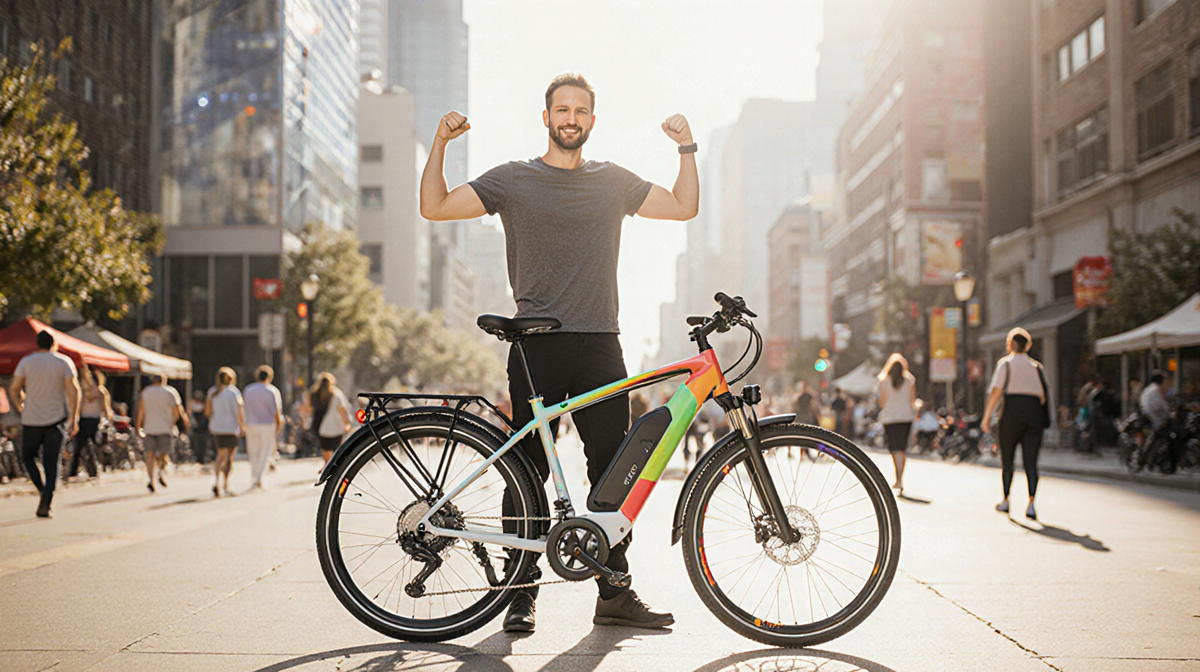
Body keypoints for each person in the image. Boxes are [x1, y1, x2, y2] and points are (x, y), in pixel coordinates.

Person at [420, 73, 697, 632]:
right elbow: (435, 207)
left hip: (600, 340)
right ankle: (519, 593)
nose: (570, 118)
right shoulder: (512, 179)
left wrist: (686, 148)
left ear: (592, 121)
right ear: (546, 117)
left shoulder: (613, 181)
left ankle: (614, 594)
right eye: (561, 109)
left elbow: (683, 207)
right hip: (535, 344)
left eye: (580, 111)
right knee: (527, 473)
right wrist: (440, 144)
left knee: (614, 471)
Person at [8, 331, 80, 518]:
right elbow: (73, 391)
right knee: (51, 462)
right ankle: (46, 502)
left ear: (37, 343)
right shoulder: (63, 362)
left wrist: (20, 407)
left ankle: (41, 490)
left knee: (28, 457)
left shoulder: (26, 362)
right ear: (54, 343)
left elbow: (14, 389)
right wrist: (74, 417)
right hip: (56, 419)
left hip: (31, 419)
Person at [981, 327, 1050, 521]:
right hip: (1033, 415)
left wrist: (987, 417)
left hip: (1011, 414)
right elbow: (1043, 397)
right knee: (1031, 462)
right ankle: (1031, 503)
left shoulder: (1006, 364)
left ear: (1010, 345)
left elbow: (996, 391)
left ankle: (1005, 499)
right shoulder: (1037, 367)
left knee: (1008, 460)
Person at [136, 375, 188, 492]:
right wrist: (173, 423)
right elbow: (177, 411)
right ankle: (160, 472)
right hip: (165, 428)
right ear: (164, 380)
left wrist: (138, 426)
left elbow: (141, 410)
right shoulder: (171, 392)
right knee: (163, 455)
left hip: (149, 427)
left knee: (149, 454)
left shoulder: (146, 392)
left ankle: (151, 479)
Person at [876, 354, 917, 494]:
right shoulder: (909, 381)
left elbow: (882, 402)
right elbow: (913, 401)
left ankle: (897, 477)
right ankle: (900, 479)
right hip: (905, 417)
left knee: (894, 449)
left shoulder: (883, 381)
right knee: (902, 448)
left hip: (889, 418)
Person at [69, 363, 113, 480]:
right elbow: (105, 408)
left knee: (79, 446)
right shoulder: (100, 391)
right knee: (94, 445)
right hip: (94, 419)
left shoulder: (82, 389)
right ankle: (94, 469)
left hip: (83, 419)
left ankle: (74, 470)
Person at [206, 367, 245, 497]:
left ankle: (216, 481)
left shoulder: (212, 392)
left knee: (220, 456)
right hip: (231, 428)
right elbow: (239, 411)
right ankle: (226, 484)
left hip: (217, 427)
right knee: (229, 458)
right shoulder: (234, 392)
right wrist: (242, 426)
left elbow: (207, 412)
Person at [243, 365, 283, 489]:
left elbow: (244, 408)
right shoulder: (272, 391)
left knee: (253, 451)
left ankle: (254, 475)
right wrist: (278, 425)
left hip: (251, 424)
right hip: (267, 424)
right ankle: (258, 478)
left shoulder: (248, 390)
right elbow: (276, 410)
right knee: (264, 452)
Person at [307, 373, 351, 465]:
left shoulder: (315, 394)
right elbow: (342, 410)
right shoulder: (336, 394)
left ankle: (327, 465)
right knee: (337, 449)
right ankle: (335, 467)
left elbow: (309, 408)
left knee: (325, 449)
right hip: (336, 426)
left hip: (322, 427)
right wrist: (347, 423)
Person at [190, 389, 211, 464]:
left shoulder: (197, 406)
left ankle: (201, 457)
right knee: (199, 443)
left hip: (202, 428)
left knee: (201, 443)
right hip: (198, 428)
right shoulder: (198, 406)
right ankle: (199, 457)